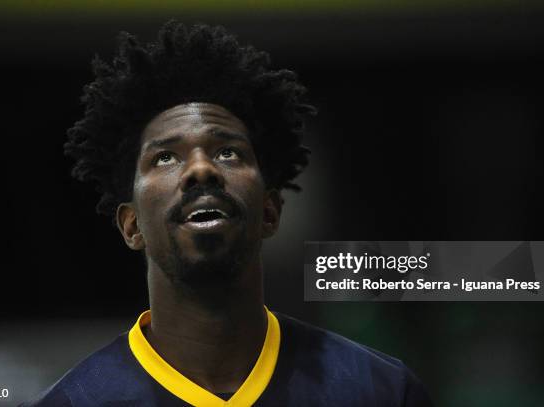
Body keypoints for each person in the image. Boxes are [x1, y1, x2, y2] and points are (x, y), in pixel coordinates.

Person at [21, 20, 432, 407]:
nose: (202, 169)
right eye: (165, 157)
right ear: (131, 226)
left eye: (227, 151)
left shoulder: (380, 391)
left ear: (270, 211)